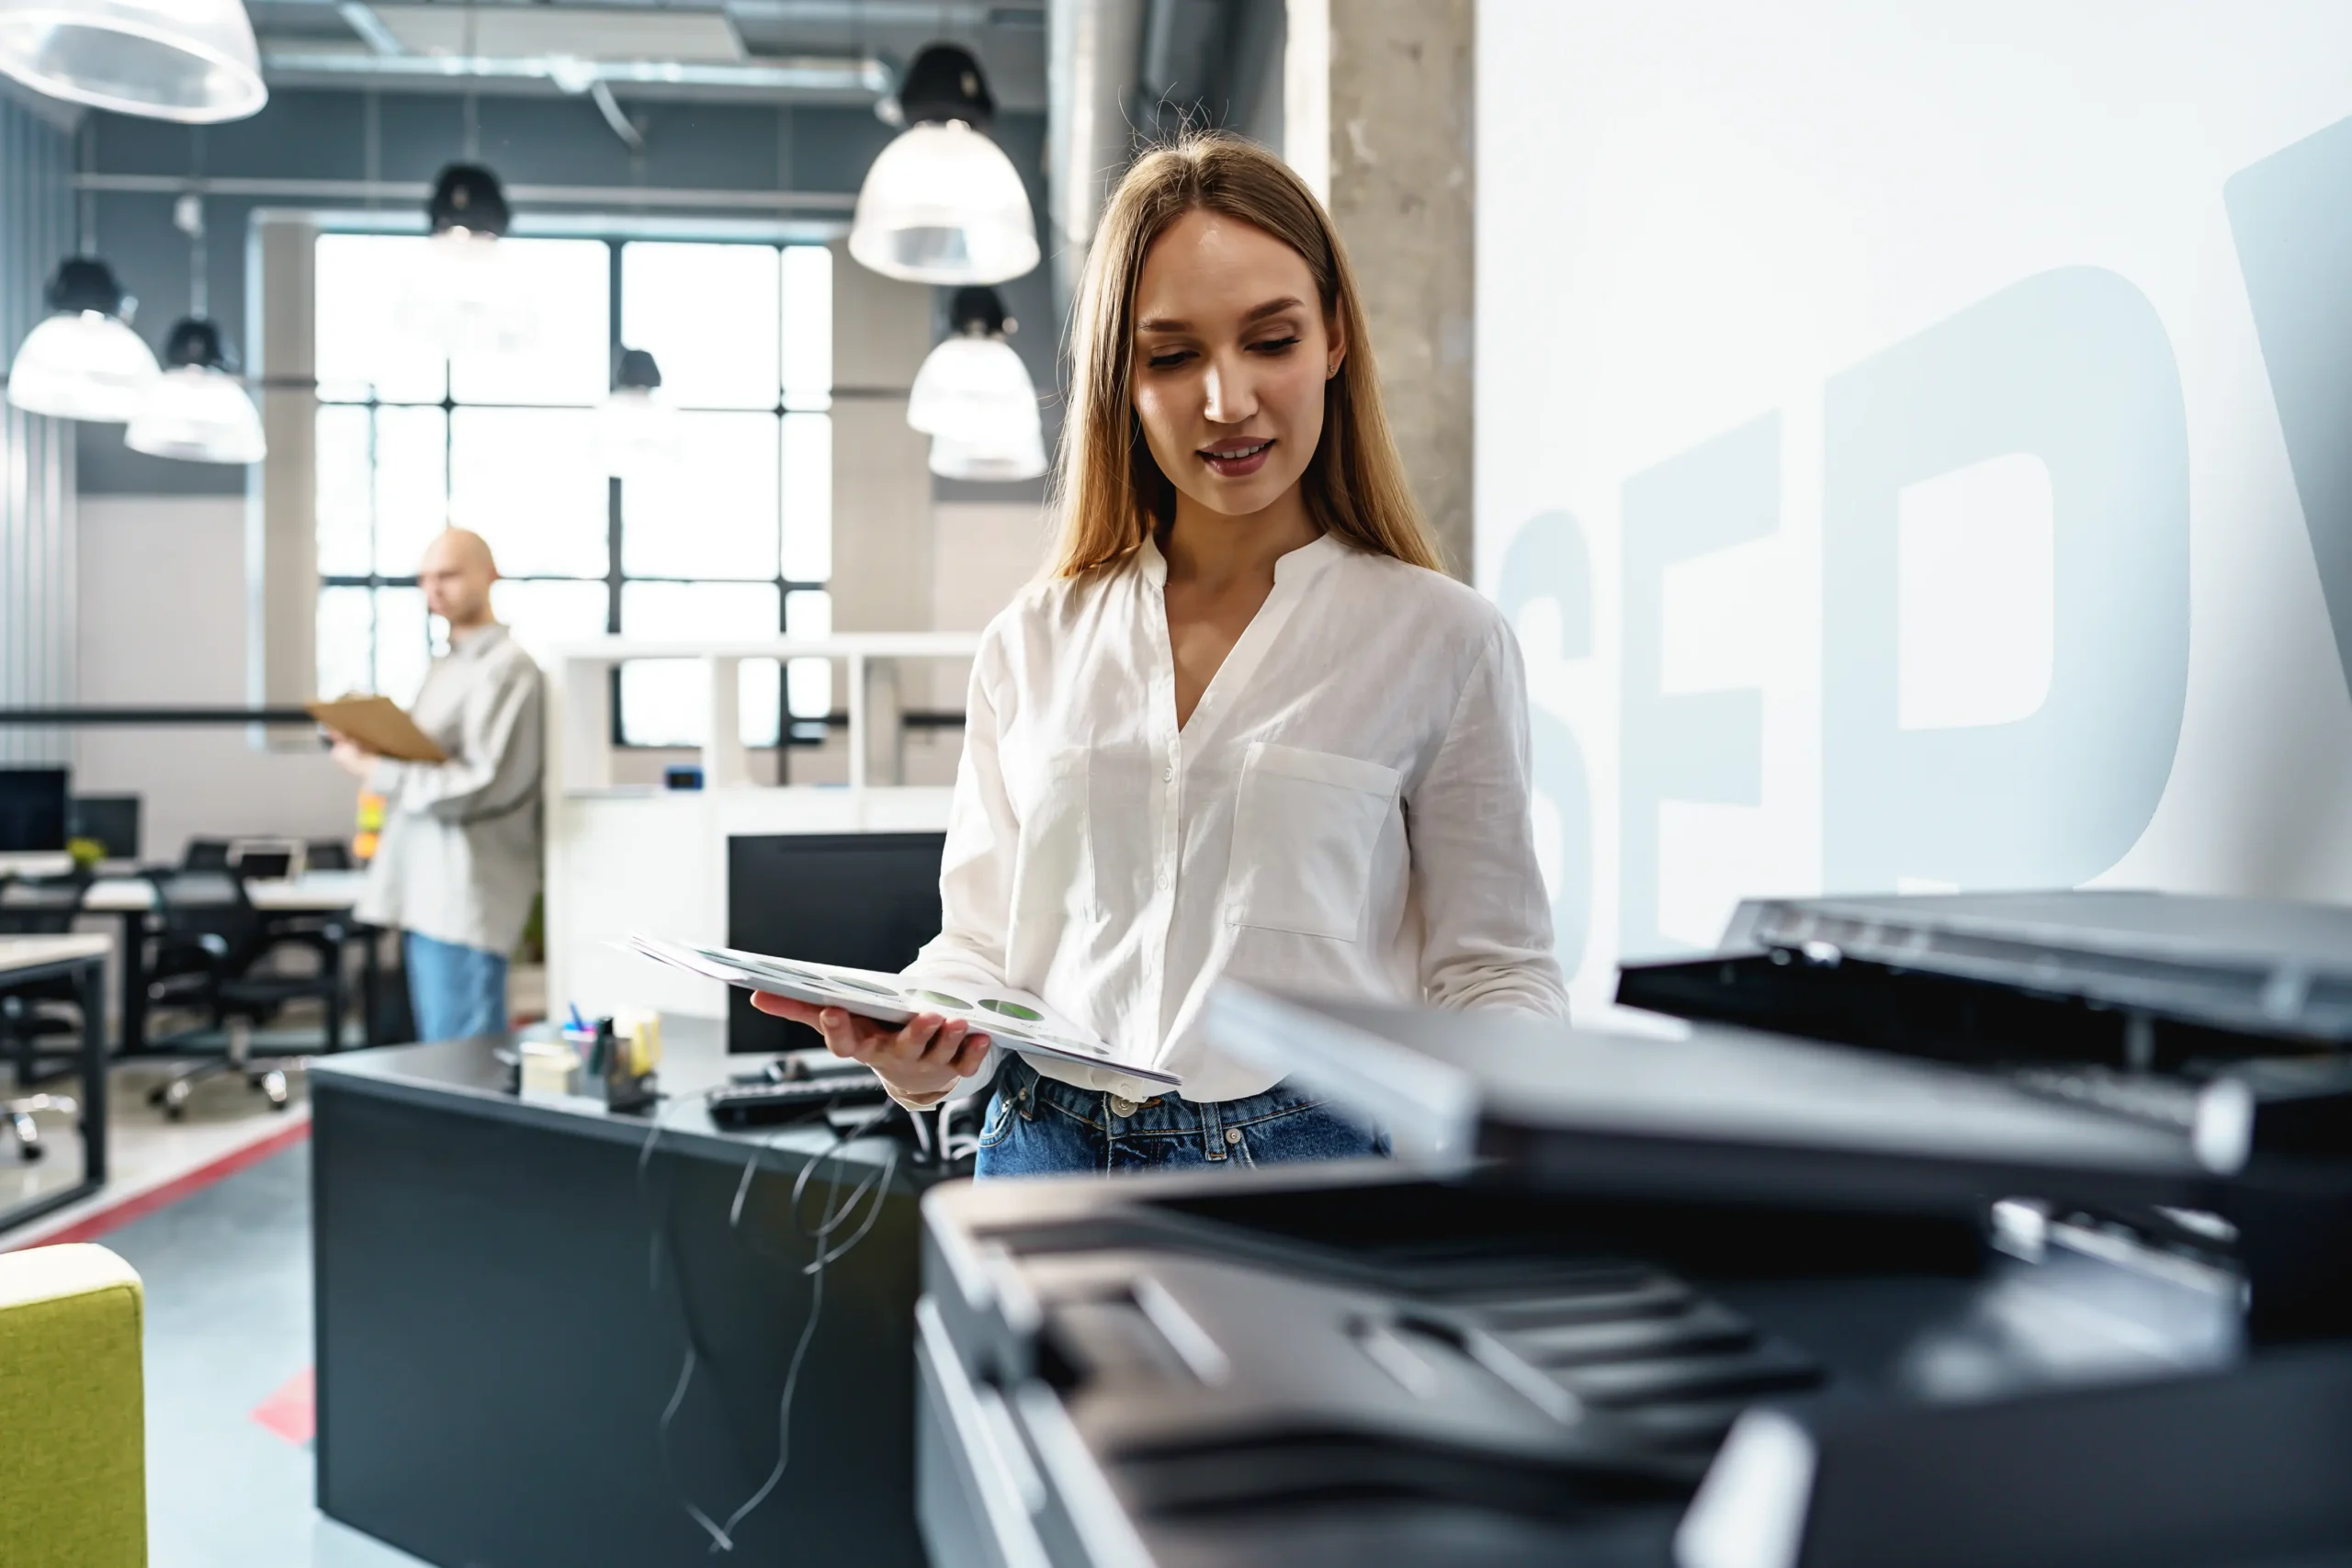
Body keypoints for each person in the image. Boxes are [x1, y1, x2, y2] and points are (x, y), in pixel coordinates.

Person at [755, 130, 1567, 1176]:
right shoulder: (1031, 642)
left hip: (1309, 1167)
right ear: (1120, 381)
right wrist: (919, 1048)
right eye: (1171, 356)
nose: (1225, 402)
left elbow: (1494, 972)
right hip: (1036, 1150)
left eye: (1269, 341)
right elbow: (982, 947)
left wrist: (1521, 1158)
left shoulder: (1441, 641)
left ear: (1333, 339)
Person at [332, 528, 544, 1043]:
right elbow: (430, 758)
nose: (434, 590)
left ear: (490, 574)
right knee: (444, 1052)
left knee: (464, 1059)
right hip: (426, 887)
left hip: (464, 894)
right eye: (424, 579)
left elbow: (480, 784)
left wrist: (374, 771)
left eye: (448, 574)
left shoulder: (508, 669)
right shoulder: (447, 665)